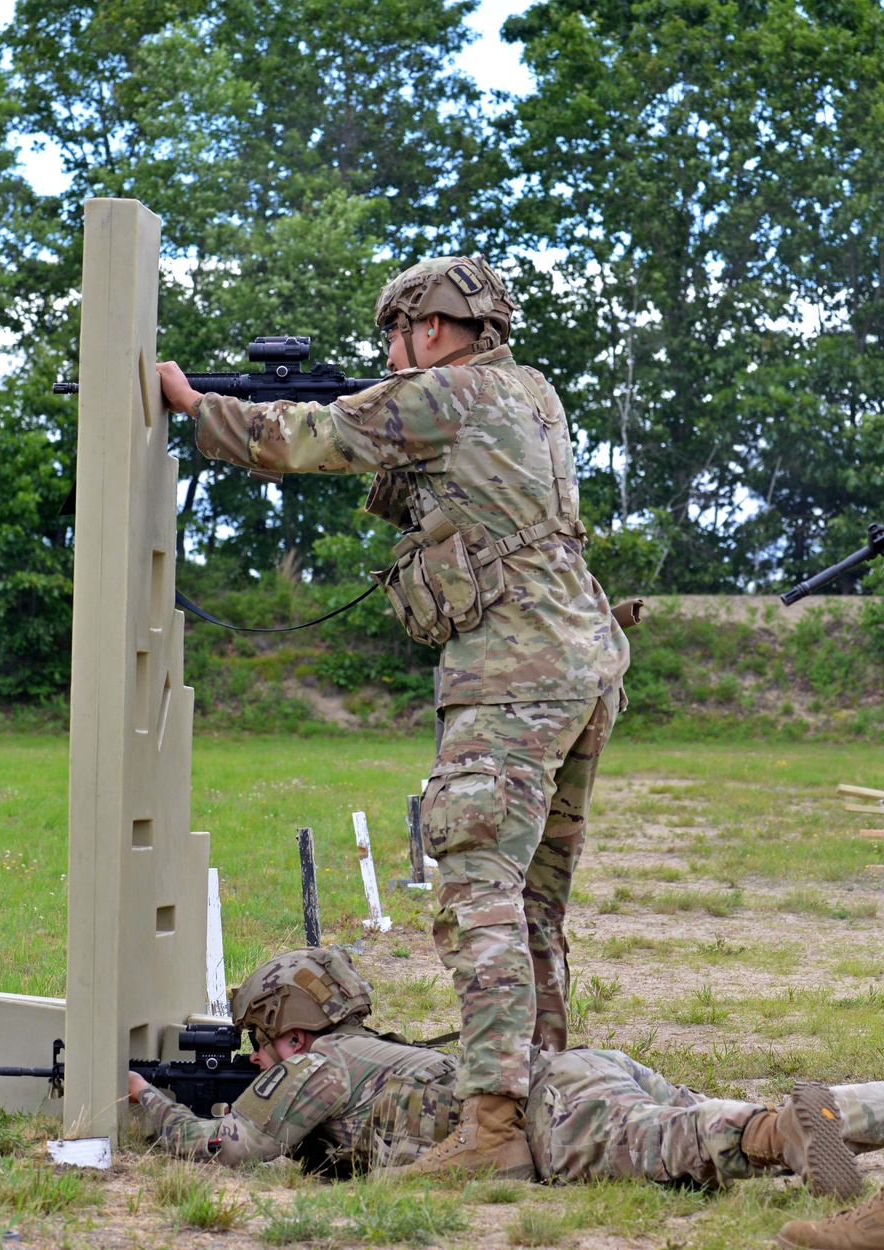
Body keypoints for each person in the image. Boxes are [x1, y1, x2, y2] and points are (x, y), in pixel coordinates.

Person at [157, 255, 630, 1177]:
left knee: (476, 893)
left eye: (396, 334)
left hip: (514, 672)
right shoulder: (530, 393)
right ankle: (544, 1096)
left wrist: (194, 405)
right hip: (585, 660)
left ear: (434, 328)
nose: (388, 352)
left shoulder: (446, 396)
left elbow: (308, 433)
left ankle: (490, 1130)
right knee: (531, 904)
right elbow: (446, 491)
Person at [130, 947, 883, 1229]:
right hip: (579, 1067)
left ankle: (779, 1131)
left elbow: (230, 1151)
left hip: (544, 1114)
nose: (260, 1058)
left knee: (682, 1143)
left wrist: (147, 1102)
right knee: (677, 1114)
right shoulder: (371, 1052)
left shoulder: (312, 1068)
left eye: (262, 1044)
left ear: (289, 1035)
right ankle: (861, 1108)